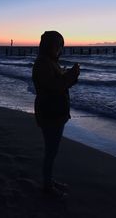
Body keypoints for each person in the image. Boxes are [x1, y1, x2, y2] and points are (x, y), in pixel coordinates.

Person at [32, 31, 80, 197]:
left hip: (53, 111)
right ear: (49, 46)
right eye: (58, 45)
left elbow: (55, 83)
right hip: (50, 112)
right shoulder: (43, 63)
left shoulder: (49, 62)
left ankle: (49, 181)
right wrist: (71, 76)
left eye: (61, 46)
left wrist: (65, 75)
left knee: (52, 150)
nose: (60, 49)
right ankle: (47, 185)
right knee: (51, 151)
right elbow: (53, 86)